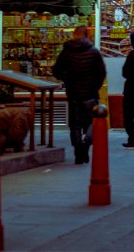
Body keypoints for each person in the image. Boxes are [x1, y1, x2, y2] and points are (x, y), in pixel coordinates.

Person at [52, 25, 106, 164]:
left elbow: (56, 71)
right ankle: (86, 144)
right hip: (90, 94)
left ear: (74, 35)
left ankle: (78, 152)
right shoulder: (94, 52)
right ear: (87, 35)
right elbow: (101, 73)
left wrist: (67, 79)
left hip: (73, 93)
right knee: (91, 122)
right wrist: (95, 87)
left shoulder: (67, 51)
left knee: (75, 124)